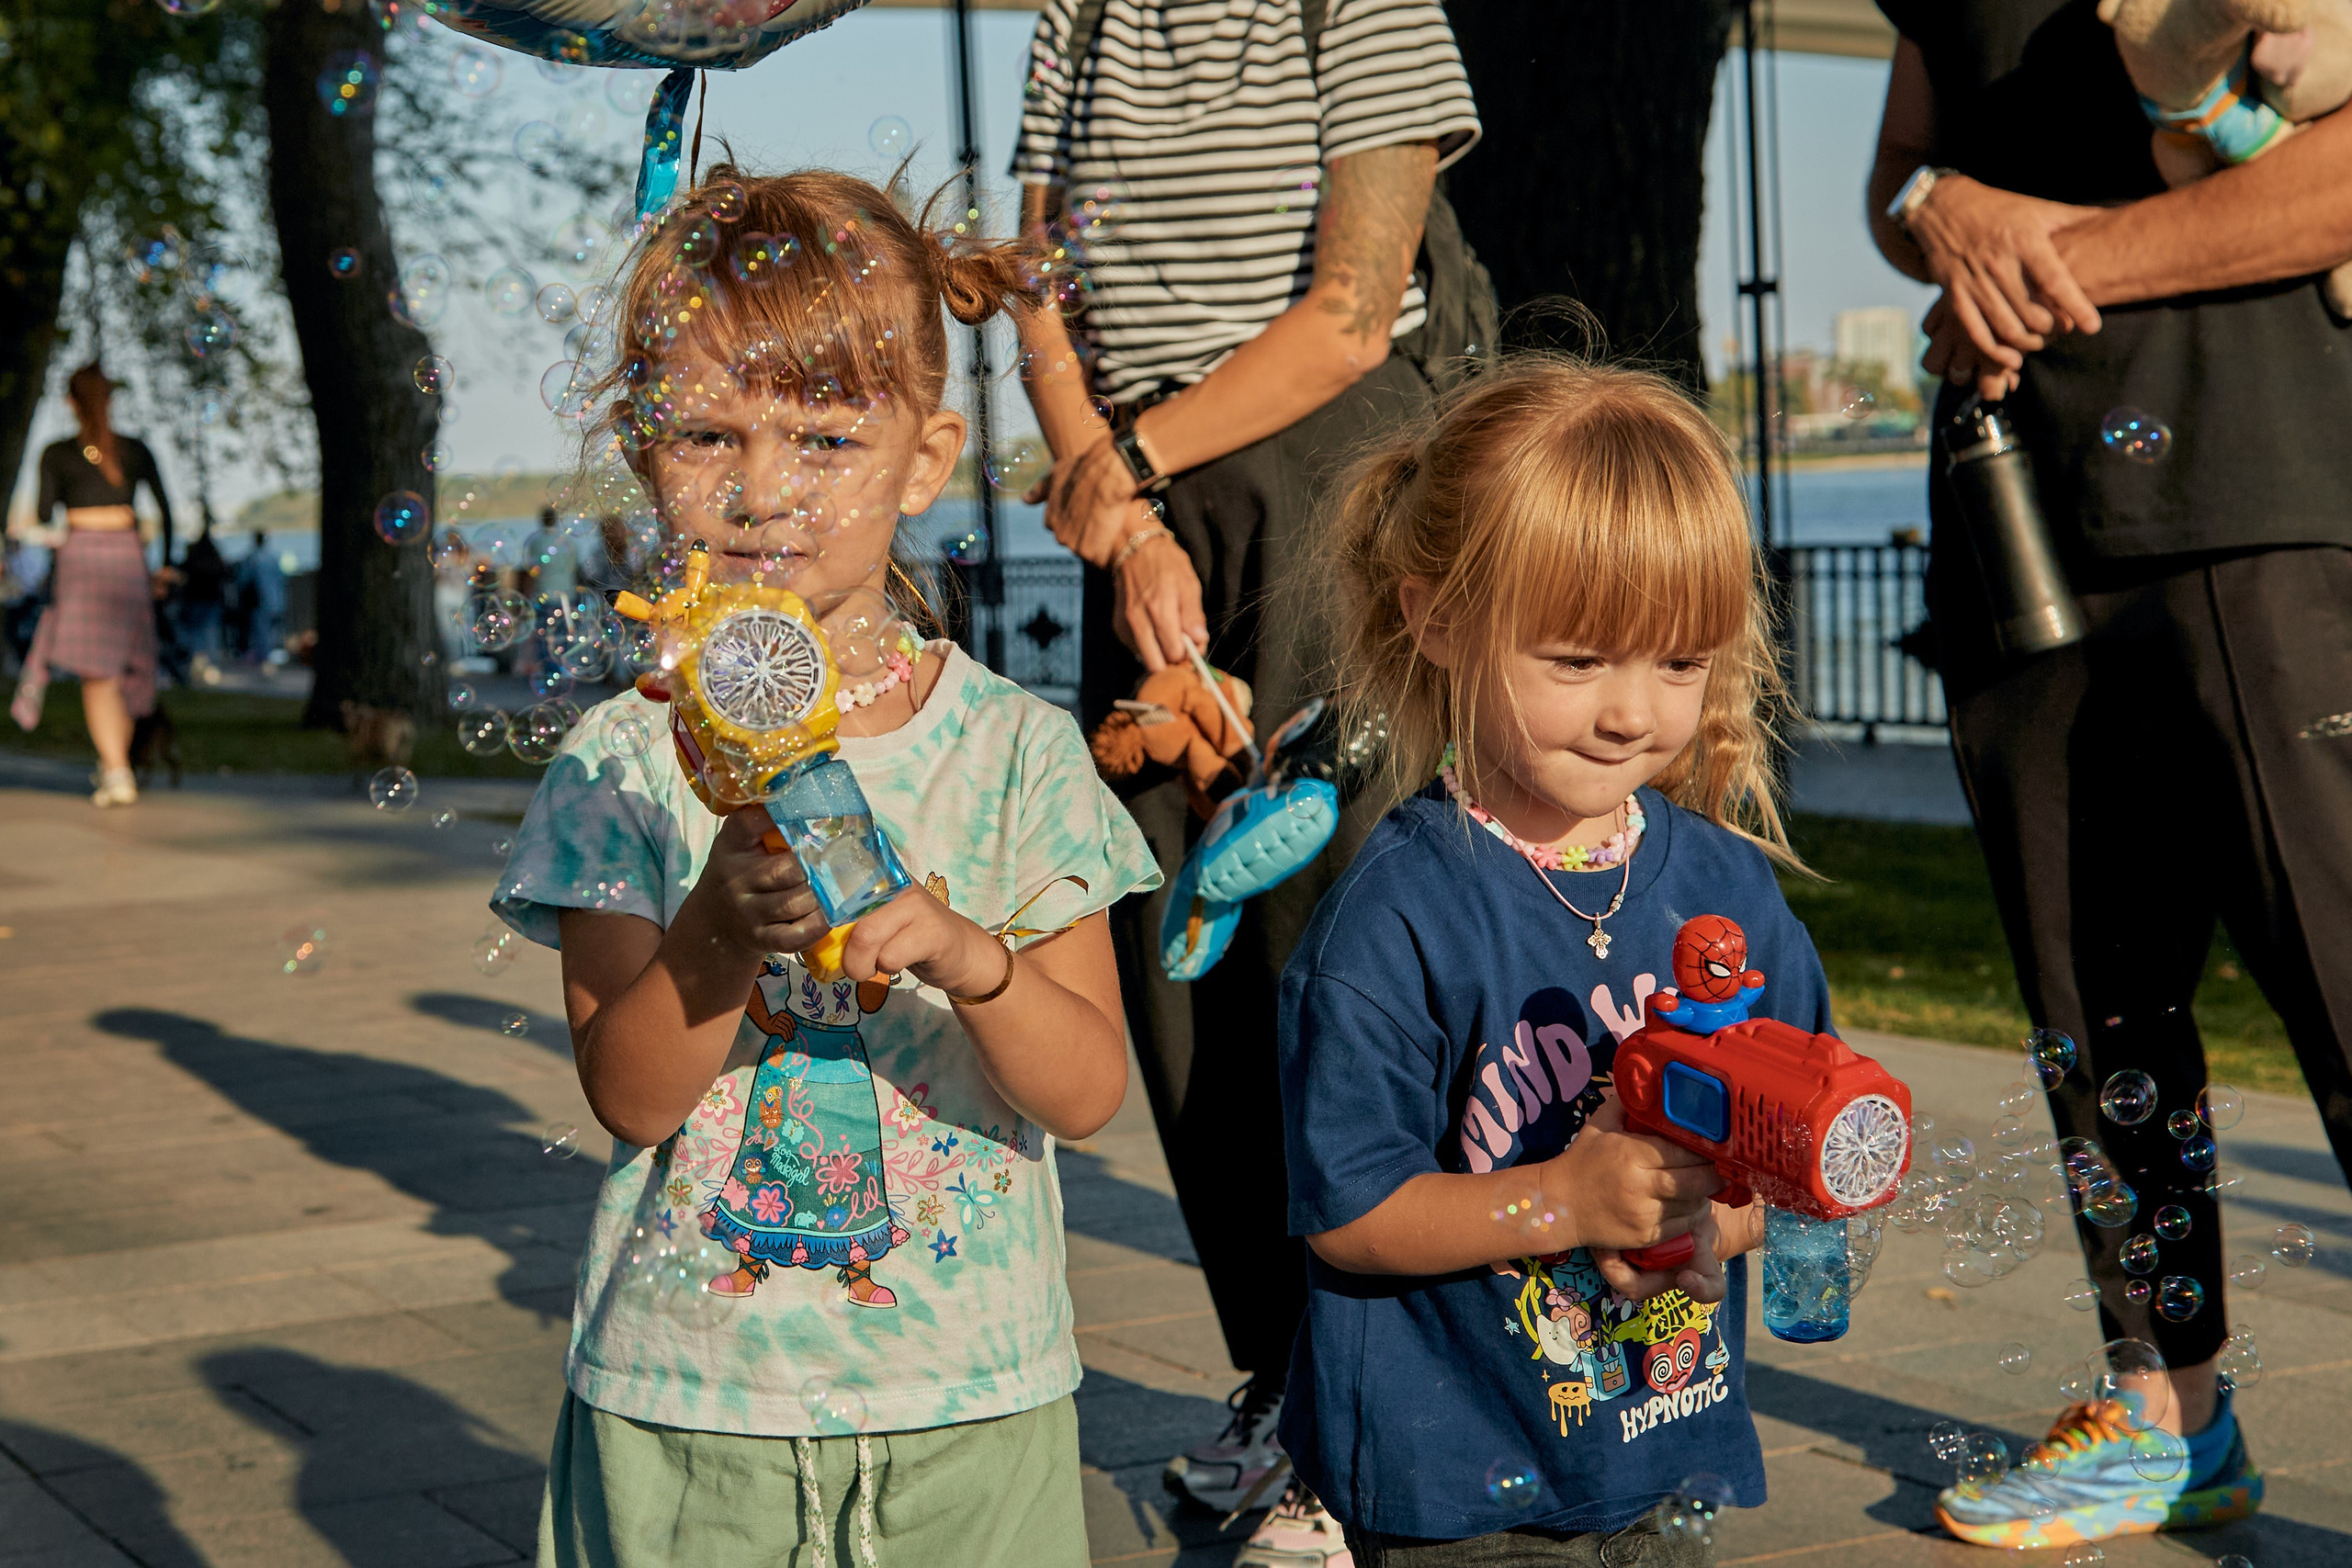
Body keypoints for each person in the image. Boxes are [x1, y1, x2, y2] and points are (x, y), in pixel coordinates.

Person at [491, 167, 1160, 1568]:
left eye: (823, 436)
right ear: (642, 448)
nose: (760, 487)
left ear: (925, 461)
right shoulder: (625, 759)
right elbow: (630, 1092)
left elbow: (1091, 1089)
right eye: (709, 434)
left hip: (972, 1411)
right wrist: (720, 929)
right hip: (692, 1412)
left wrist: (975, 954)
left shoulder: (1018, 751)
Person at [1864, 2, 2352, 1549]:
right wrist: (1935, 218)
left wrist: (2037, 253)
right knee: (2097, 1010)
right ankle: (2167, 1413)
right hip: (2018, 502)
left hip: (2258, 488)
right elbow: (1901, 179)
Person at [1009, 4, 1484, 1546]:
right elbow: (1035, 289)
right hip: (1144, 515)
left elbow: (1355, 309)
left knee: (1334, 954)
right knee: (1180, 958)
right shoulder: (1075, 16)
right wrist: (1130, 514)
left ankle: (1383, 1399)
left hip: (1328, 485)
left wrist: (1130, 469)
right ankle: (1285, 1376)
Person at [1277, 359, 1823, 1562]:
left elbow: (1775, 1163)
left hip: (1661, 1435)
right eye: (1579, 660)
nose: (1634, 711)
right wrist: (1564, 1199)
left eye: (1679, 663)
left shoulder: (1728, 891)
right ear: (1440, 617)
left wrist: (1707, 1230)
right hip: (1457, 1466)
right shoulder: (1396, 919)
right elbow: (1352, 1212)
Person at [8, 362, 177, 807]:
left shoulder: (57, 453)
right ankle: (115, 765)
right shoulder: (135, 450)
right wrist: (165, 567)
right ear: (111, 400)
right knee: (122, 669)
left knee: (98, 673)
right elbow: (168, 510)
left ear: (70, 402)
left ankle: (117, 769)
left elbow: (45, 513)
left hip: (81, 557)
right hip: (127, 556)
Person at [237, 531, 286, 663]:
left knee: (261, 631)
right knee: (272, 631)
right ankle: (269, 657)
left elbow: (243, 580)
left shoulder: (252, 558)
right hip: (276, 600)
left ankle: (263, 659)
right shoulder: (274, 557)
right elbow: (281, 579)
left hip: (260, 600)